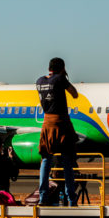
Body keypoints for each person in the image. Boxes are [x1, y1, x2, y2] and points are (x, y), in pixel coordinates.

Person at [36, 57, 79, 206]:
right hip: (61, 123)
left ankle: (43, 198)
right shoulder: (60, 79)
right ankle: (71, 198)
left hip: (46, 123)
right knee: (68, 161)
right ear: (62, 68)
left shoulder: (40, 81)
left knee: (46, 160)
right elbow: (75, 94)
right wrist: (64, 77)